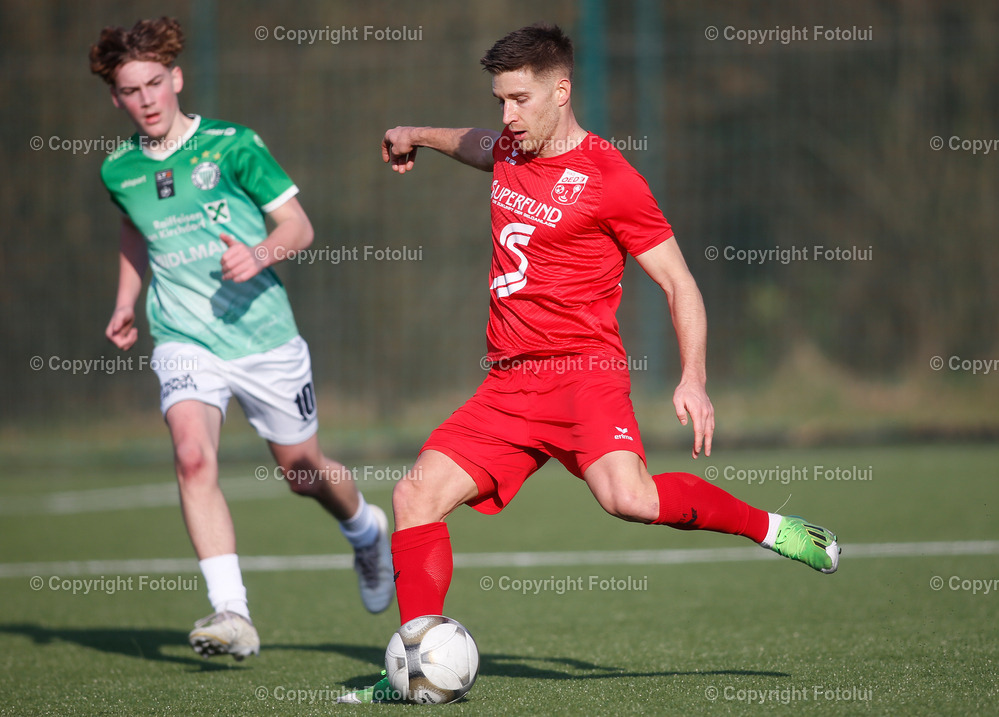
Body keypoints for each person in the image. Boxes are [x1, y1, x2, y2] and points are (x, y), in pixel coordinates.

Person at [339, 23, 839, 703]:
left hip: (582, 375)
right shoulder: (514, 145)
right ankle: (416, 667)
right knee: (413, 496)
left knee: (628, 498)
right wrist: (414, 134)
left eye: (519, 99)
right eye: (499, 100)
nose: (506, 115)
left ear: (562, 90)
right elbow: (478, 145)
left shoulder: (610, 178)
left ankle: (773, 527)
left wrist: (693, 375)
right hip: (508, 383)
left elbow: (680, 284)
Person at [89, 17, 393, 661]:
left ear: (176, 79)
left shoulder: (232, 147)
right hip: (182, 338)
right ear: (116, 98)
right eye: (130, 89)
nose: (145, 99)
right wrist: (126, 300)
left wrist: (258, 253)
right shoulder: (119, 170)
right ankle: (233, 612)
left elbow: (298, 227)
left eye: (154, 83)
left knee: (302, 472)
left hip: (263, 338)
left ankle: (367, 530)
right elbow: (135, 231)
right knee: (193, 458)